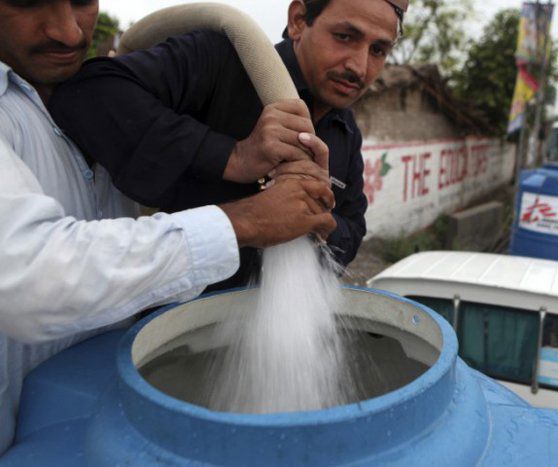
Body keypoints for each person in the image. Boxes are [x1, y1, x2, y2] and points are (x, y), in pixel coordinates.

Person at [0, 0, 335, 453]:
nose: (69, 33)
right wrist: (246, 218)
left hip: (82, 422)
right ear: (298, 21)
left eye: (82, 2)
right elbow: (27, 275)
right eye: (25, 2)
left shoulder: (74, 98)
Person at [49, 0, 409, 287]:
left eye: (378, 50)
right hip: (171, 329)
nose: (359, 67)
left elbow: (353, 226)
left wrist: (322, 222)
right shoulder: (221, 62)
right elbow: (89, 94)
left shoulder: (344, 129)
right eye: (345, 37)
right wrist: (233, 156)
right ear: (298, 19)